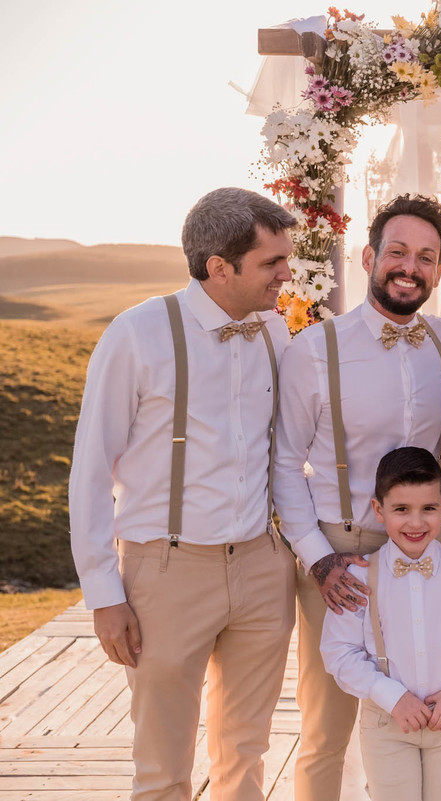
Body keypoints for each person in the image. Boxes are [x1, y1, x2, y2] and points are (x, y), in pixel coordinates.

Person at [69, 187, 297, 800]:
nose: (286, 273)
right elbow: (91, 469)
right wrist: (103, 594)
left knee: (246, 754)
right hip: (166, 572)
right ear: (220, 267)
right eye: (272, 262)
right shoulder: (137, 334)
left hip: (261, 566)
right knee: (163, 766)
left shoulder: (275, 331)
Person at [274, 193, 441, 801]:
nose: (410, 267)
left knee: (430, 708)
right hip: (342, 554)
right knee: (329, 726)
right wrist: (318, 560)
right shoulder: (314, 349)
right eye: (398, 251)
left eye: (426, 257)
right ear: (368, 257)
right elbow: (284, 464)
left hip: (429, 547)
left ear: (438, 270)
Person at [320, 446, 441, 801]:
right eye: (402, 509)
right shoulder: (358, 577)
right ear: (379, 510)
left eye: (428, 509)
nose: (416, 523)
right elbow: (338, 652)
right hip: (387, 723)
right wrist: (390, 696)